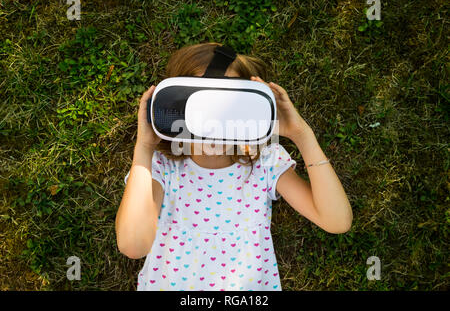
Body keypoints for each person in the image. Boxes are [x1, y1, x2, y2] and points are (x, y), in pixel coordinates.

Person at [115, 42, 353, 291]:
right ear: (176, 109)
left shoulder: (264, 161)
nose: (214, 122)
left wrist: (302, 135)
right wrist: (143, 149)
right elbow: (133, 246)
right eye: (200, 106)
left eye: (228, 105)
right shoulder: (160, 167)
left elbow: (336, 221)